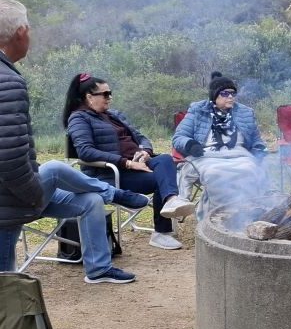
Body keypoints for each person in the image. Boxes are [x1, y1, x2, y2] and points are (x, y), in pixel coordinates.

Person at [0, 0, 145, 283]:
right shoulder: (8, 82)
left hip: (15, 189)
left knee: (90, 200)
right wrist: (34, 197)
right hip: (13, 197)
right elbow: (8, 157)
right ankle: (115, 195)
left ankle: (98, 269)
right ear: (21, 32)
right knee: (5, 285)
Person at [64, 73, 195, 250]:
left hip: (137, 165)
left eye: (110, 93)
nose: (109, 98)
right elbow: (86, 151)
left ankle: (171, 200)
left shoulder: (114, 115)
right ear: (89, 97)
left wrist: (144, 151)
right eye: (105, 94)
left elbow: (141, 137)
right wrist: (127, 163)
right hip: (112, 174)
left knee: (164, 159)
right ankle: (161, 233)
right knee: (161, 180)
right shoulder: (79, 118)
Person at [173, 72, 268, 220]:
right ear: (214, 96)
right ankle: (215, 218)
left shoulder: (245, 112)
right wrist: (190, 145)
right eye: (225, 93)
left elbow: (256, 141)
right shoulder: (198, 110)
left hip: (240, 155)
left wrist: (258, 152)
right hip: (206, 156)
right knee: (214, 173)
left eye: (233, 93)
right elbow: (179, 137)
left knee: (249, 170)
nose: (230, 97)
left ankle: (245, 215)